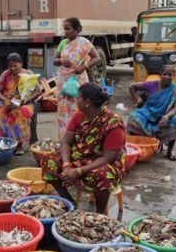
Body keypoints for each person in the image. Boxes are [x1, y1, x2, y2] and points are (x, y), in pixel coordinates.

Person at [40, 83, 125, 214]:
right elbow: (66, 142)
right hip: (79, 158)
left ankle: (100, 212)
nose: (76, 100)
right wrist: (67, 165)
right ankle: (69, 202)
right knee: (48, 160)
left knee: (102, 175)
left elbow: (109, 157)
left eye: (78, 98)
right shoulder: (79, 116)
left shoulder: (113, 122)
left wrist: (78, 172)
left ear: (87, 102)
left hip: (103, 164)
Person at [54, 17, 101, 139]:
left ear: (76, 30)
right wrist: (61, 61)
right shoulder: (63, 43)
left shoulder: (84, 42)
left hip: (78, 80)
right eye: (64, 29)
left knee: (79, 107)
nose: (65, 31)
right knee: (64, 109)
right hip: (63, 82)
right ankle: (65, 138)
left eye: (68, 29)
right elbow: (55, 60)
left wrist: (84, 66)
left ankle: (80, 136)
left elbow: (97, 58)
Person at [127, 64, 176, 161]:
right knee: (133, 117)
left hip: (165, 116)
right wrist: (137, 100)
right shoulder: (152, 84)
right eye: (164, 74)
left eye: (170, 74)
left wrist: (167, 116)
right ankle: (138, 147)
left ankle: (169, 151)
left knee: (175, 120)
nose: (167, 77)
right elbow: (132, 87)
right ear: (160, 75)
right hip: (148, 113)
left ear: (174, 76)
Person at [0, 53, 41, 154]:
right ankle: (0, 140)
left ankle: (19, 144)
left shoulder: (28, 73)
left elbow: (38, 91)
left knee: (20, 112)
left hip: (24, 102)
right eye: (10, 66)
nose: (12, 68)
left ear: (20, 64)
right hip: (7, 100)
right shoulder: (6, 74)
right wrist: (5, 99)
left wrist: (27, 100)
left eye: (15, 65)